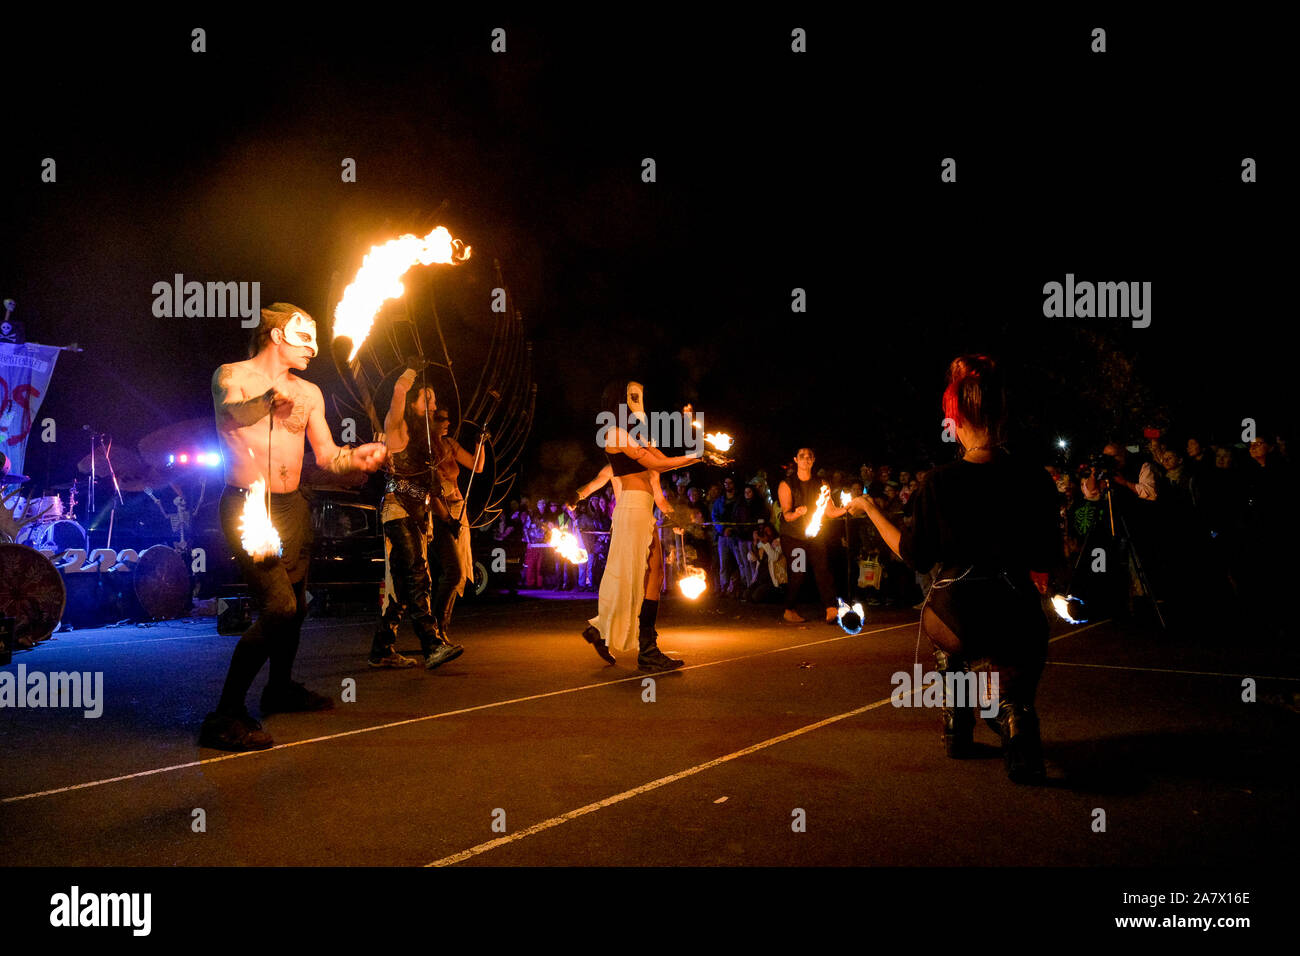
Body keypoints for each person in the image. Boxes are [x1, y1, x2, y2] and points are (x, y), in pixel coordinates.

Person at [847, 355, 1058, 784]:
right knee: (1023, 643)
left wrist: (868, 508)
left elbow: (914, 556)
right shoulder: (1035, 479)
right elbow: (1046, 558)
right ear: (1001, 417)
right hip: (1013, 610)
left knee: (949, 639)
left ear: (955, 422)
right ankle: (1018, 718)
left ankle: (957, 724)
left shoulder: (938, 482)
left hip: (956, 613)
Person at [204, 303, 387, 751]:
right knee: (279, 608)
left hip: (294, 507)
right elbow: (229, 417)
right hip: (250, 507)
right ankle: (224, 715)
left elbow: (326, 456)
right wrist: (268, 401)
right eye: (304, 337)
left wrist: (355, 457)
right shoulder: (232, 375)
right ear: (277, 336)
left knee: (298, 606)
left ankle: (280, 688)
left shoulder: (309, 392)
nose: (314, 348)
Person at [574, 381, 699, 671]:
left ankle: (606, 631)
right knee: (634, 575)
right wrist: (695, 456)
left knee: (647, 573)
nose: (637, 402)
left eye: (640, 396)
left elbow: (661, 462)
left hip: (642, 510)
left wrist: (695, 454)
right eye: (632, 397)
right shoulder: (614, 434)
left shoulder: (634, 435)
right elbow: (660, 464)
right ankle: (645, 647)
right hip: (631, 508)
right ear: (620, 401)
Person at [366, 365, 477, 670]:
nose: (432, 405)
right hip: (398, 509)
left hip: (419, 515)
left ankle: (382, 648)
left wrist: (447, 518)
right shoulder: (397, 427)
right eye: (425, 400)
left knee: (403, 585)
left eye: (433, 400)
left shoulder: (427, 440)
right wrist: (410, 373)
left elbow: (430, 488)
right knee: (418, 574)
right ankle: (432, 645)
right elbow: (398, 394)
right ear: (412, 404)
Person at [778, 447, 848, 624]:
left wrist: (847, 508)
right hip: (793, 537)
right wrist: (798, 513)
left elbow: (831, 511)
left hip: (814, 536)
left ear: (813, 460)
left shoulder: (822, 483)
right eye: (802, 456)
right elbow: (786, 515)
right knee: (798, 572)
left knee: (823, 569)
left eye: (809, 456)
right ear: (796, 460)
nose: (806, 459)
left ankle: (831, 609)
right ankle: (789, 609)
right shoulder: (786, 484)